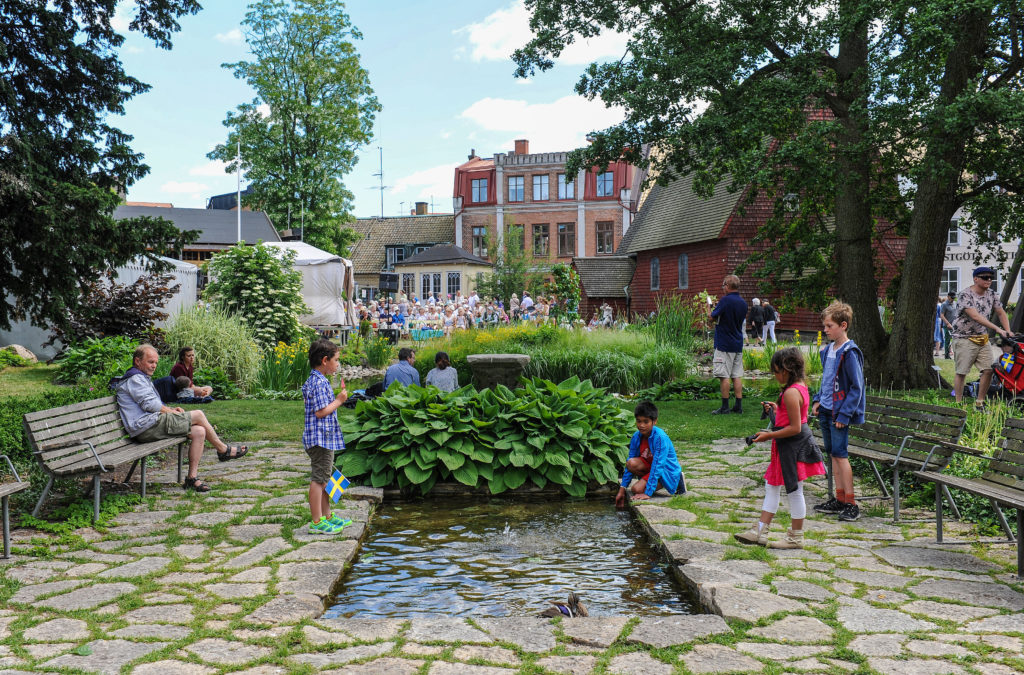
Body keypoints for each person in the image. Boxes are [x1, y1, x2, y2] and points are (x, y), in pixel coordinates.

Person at [115, 344, 245, 493]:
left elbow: (153, 403)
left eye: (156, 362)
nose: (154, 366)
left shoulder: (140, 377)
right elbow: (150, 404)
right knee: (198, 414)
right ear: (137, 361)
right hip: (145, 428)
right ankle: (223, 450)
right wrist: (170, 412)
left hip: (151, 424)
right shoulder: (135, 378)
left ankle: (192, 478)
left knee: (199, 431)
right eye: (150, 362)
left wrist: (169, 410)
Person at [735, 348, 826, 548]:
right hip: (787, 446)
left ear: (786, 369)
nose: (775, 375)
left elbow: (794, 427)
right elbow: (796, 417)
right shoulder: (799, 387)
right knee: (772, 485)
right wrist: (776, 410)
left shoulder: (791, 392)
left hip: (792, 447)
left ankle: (795, 537)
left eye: (776, 371)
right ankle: (760, 531)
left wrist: (768, 435)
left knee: (794, 490)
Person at [812, 301, 866, 522]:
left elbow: (856, 387)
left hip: (839, 414)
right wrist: (817, 400)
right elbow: (826, 381)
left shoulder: (850, 352)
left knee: (841, 455)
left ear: (843, 325)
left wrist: (844, 415)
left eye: (829, 326)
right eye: (825, 326)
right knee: (833, 454)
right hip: (825, 410)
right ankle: (839, 498)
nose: (825, 330)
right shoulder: (828, 351)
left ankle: (851, 503)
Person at [301, 339, 351, 535]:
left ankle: (327, 516)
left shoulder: (316, 380)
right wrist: (339, 401)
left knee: (325, 479)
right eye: (336, 360)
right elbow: (321, 412)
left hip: (323, 438)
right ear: (324, 360)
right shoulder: (319, 383)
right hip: (320, 439)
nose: (337, 364)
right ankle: (316, 521)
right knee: (319, 479)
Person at [952, 266, 1012, 407]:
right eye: (985, 277)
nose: (989, 280)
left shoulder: (992, 294)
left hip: (982, 337)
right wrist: (998, 329)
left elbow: (1001, 312)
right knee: (962, 372)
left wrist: (1008, 331)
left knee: (989, 369)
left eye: (991, 278)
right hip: (964, 337)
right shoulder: (965, 295)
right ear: (976, 279)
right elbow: (975, 316)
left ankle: (979, 402)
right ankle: (958, 403)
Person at [615, 400, 686, 507]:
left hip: (664, 470)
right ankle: (651, 482)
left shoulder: (660, 438)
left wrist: (648, 493)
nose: (642, 425)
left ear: (654, 421)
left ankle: (677, 479)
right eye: (639, 421)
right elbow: (629, 466)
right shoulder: (636, 437)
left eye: (646, 421)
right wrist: (621, 490)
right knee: (630, 463)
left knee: (637, 489)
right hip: (651, 467)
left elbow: (658, 465)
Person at [710, 275, 747, 414]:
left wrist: (709, 309)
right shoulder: (743, 303)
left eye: (723, 285)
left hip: (724, 343)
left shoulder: (725, 300)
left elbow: (712, 317)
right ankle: (738, 405)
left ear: (728, 285)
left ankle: (725, 407)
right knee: (736, 375)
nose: (723, 288)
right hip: (737, 342)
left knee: (724, 375)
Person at [939, 291, 957, 359]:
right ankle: (947, 355)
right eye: (951, 298)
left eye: (953, 298)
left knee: (955, 340)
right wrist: (947, 323)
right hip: (947, 326)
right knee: (947, 340)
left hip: (954, 325)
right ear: (948, 297)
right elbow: (942, 315)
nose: (952, 299)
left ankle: (956, 355)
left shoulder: (955, 303)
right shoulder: (944, 304)